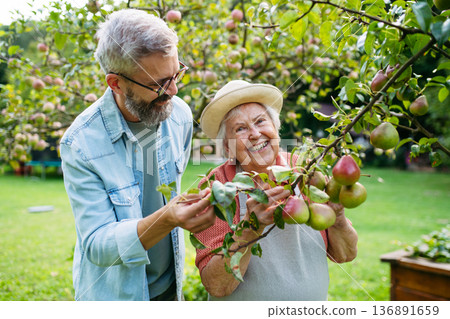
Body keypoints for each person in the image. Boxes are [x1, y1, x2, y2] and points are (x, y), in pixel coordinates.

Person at [60, 9, 215, 301]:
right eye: (158, 84)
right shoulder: (80, 144)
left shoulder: (179, 114)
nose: (174, 90)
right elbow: (97, 245)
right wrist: (168, 218)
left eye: (176, 73)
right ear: (116, 83)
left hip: (171, 291)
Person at [194, 80, 358, 300]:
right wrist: (250, 229)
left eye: (260, 121)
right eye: (240, 129)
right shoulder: (216, 188)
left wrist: (337, 216)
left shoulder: (307, 172)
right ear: (227, 147)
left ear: (275, 126)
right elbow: (217, 286)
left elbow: (345, 255)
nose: (254, 133)